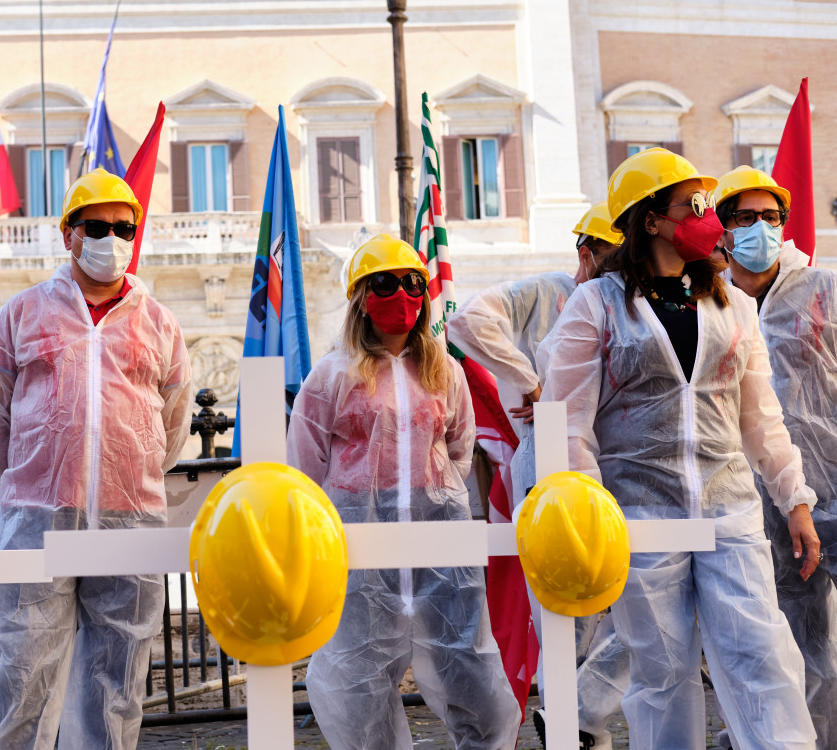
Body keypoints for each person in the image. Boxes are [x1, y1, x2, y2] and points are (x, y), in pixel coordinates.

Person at [538, 147, 820, 749]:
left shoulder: (732, 303)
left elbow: (761, 419)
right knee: (661, 673)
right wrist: (591, 507)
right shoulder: (598, 304)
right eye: (693, 204)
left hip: (731, 512)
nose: (709, 217)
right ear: (649, 220)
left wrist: (795, 498)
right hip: (641, 517)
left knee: (762, 657)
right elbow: (565, 422)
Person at [0, 168, 192, 750]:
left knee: (117, 682)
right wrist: (28, 486)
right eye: (97, 226)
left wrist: (130, 473)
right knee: (22, 676)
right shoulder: (20, 315)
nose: (111, 238)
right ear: (68, 232)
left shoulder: (160, 323)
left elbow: (171, 425)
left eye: (124, 228)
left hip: (131, 518)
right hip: (35, 521)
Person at [288, 233, 519, 750]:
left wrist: (433, 499)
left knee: (468, 657)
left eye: (414, 283)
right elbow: (304, 467)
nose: (404, 295)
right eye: (387, 284)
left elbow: (460, 449)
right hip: (358, 536)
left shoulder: (444, 371)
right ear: (361, 300)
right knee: (360, 668)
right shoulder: (330, 375)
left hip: (439, 532)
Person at [451, 202, 627, 750]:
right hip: (548, 459)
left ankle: (578, 714)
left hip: (614, 460)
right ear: (586, 254)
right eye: (615, 262)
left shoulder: (634, 305)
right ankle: (570, 725)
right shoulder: (549, 292)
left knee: (638, 599)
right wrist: (530, 383)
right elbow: (469, 319)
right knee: (561, 605)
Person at [714, 165, 837, 748]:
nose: (760, 227)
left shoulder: (821, 289)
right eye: (746, 218)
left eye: (771, 217)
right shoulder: (712, 303)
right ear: (722, 228)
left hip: (835, 479)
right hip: (763, 495)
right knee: (796, 634)